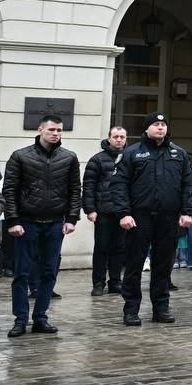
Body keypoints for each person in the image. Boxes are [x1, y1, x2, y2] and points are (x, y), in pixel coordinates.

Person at [111, 112, 192, 326]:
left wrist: (187, 211)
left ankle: (161, 308)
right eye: (156, 124)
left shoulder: (179, 153)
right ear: (147, 128)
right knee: (134, 264)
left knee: (163, 265)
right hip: (139, 217)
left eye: (163, 124)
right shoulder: (132, 153)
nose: (160, 128)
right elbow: (119, 185)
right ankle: (131, 310)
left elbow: (188, 185)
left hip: (168, 217)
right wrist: (124, 213)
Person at [4, 115, 80, 337]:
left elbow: (75, 190)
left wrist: (72, 219)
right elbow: (10, 191)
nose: (56, 133)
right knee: (22, 273)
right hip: (27, 223)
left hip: (55, 223)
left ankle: (40, 318)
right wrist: (13, 220)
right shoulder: (20, 156)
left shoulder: (69, 158)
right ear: (40, 130)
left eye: (59, 130)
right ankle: (20, 319)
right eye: (52, 130)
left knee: (49, 273)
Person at [83, 125, 128, 296]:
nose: (119, 139)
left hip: (122, 211)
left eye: (122, 137)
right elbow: (88, 186)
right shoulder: (97, 159)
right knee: (101, 248)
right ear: (109, 138)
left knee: (119, 248)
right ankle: (98, 283)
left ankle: (115, 282)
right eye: (115, 136)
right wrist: (90, 209)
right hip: (102, 211)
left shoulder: (129, 158)